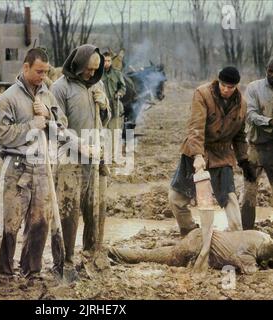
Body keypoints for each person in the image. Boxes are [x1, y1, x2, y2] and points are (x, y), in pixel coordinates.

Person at [0, 48, 69, 278]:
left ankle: (31, 270)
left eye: (46, 72)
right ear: (25, 67)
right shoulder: (8, 98)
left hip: (42, 164)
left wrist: (48, 115)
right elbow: (3, 135)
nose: (43, 77)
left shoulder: (48, 95)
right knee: (11, 222)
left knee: (40, 221)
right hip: (16, 166)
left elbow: (63, 125)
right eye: (38, 71)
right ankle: (4, 271)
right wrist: (31, 126)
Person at [168, 66, 253, 235]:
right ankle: (189, 232)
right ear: (218, 81)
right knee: (176, 198)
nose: (226, 90)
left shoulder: (241, 104)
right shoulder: (203, 94)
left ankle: (237, 236)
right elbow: (196, 127)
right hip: (195, 150)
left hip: (222, 154)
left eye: (231, 87)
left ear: (236, 86)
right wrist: (197, 156)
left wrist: (243, 160)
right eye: (223, 85)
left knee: (229, 197)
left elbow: (239, 136)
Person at [51, 44, 111, 269]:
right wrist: (80, 147)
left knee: (96, 208)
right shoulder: (60, 88)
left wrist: (104, 105)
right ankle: (64, 260)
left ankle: (91, 254)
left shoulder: (98, 84)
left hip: (96, 157)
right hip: (70, 159)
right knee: (69, 211)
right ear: (77, 64)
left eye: (96, 69)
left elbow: (104, 120)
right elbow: (56, 128)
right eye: (88, 69)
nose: (91, 73)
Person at [108, 228, 273, 274]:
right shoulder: (257, 248)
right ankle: (111, 252)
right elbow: (247, 267)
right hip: (199, 243)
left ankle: (113, 251)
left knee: (162, 252)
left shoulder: (260, 235)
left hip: (201, 236)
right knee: (150, 257)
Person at [240, 58, 273, 230]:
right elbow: (249, 114)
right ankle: (247, 231)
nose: (272, 75)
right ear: (266, 69)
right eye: (270, 72)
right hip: (255, 148)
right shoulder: (254, 87)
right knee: (249, 192)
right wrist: (269, 122)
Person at [101, 51, 126, 133]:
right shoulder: (98, 74)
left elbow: (123, 87)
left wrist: (120, 93)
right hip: (102, 105)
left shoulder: (117, 73)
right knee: (102, 130)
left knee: (115, 129)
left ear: (111, 61)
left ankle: (115, 144)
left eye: (108, 61)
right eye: (104, 61)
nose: (106, 63)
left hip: (115, 104)